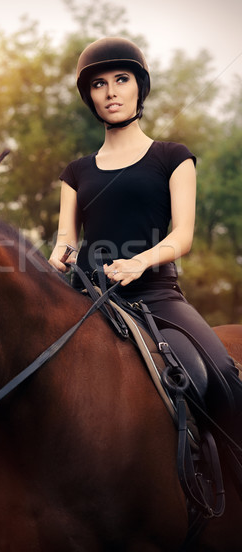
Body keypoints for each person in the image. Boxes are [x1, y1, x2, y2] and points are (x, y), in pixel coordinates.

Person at [49, 36, 242, 454]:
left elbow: (183, 235)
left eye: (121, 79)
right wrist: (57, 259)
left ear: (140, 87)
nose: (111, 91)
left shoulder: (173, 157)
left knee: (225, 376)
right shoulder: (76, 172)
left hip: (155, 294)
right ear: (91, 98)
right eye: (99, 84)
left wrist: (139, 263)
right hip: (89, 298)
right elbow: (66, 240)